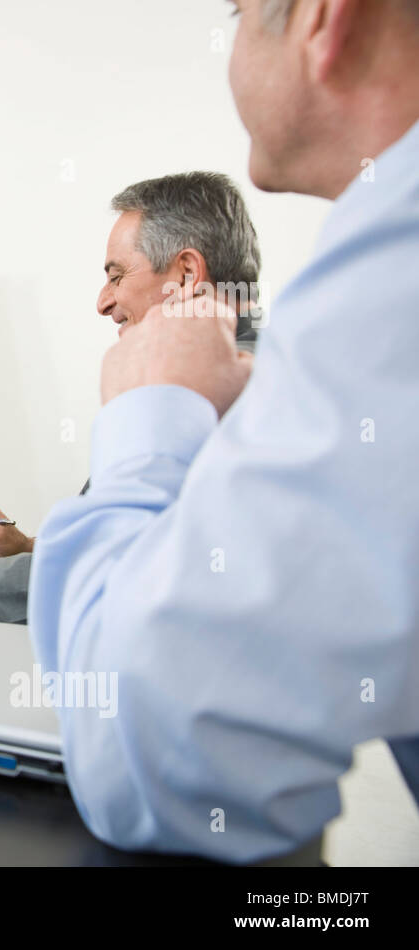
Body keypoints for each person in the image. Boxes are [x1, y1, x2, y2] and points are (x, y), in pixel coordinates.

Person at [29, 0, 419, 862]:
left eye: (238, 11)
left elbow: (153, 748)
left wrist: (144, 417)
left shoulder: (394, 275)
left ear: (322, 18)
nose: (99, 300)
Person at [0, 172, 263, 620]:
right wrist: (29, 550)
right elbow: (130, 552)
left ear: (186, 274)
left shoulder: (209, 393)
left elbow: (98, 577)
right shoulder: (265, 375)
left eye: (116, 276)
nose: (103, 302)